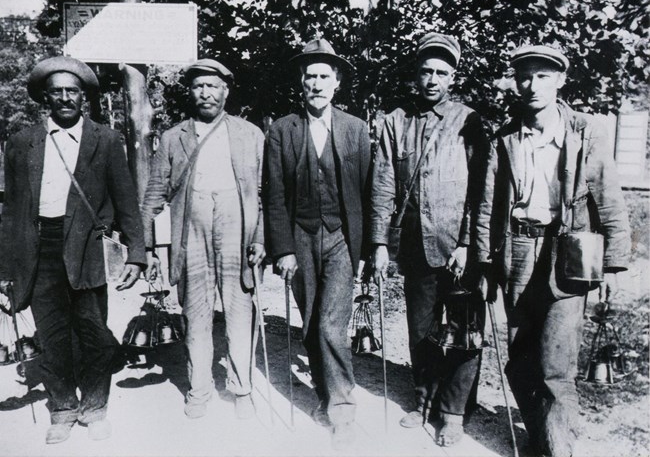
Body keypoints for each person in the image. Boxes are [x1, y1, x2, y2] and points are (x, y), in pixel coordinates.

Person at [475, 45, 631, 456]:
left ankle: (558, 449)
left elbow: (608, 198)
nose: (532, 85)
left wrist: (613, 266)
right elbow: (488, 205)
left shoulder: (586, 130)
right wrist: (485, 262)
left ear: (560, 80)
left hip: (570, 251)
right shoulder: (504, 137)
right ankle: (541, 436)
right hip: (517, 249)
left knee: (556, 364)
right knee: (521, 356)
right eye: (524, 76)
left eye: (543, 76)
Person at [0, 56, 145, 444]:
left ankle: (95, 407)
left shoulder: (106, 140)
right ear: (44, 97)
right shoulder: (20, 143)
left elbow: (126, 199)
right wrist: (5, 269)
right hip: (38, 248)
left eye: (73, 91)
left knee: (93, 330)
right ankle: (62, 407)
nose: (65, 98)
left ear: (84, 97)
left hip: (87, 246)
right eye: (57, 92)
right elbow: (11, 210)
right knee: (52, 333)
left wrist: (136, 253)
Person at [370, 32, 489, 446]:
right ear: (415, 75)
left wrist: (467, 244)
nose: (433, 79)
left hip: (458, 247)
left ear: (453, 76)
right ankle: (422, 399)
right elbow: (383, 184)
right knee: (420, 329)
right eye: (426, 71)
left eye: (442, 72)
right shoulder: (394, 122)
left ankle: (453, 411)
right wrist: (381, 243)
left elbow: (481, 190)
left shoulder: (469, 121)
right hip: (414, 245)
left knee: (463, 329)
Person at [140, 59, 265, 421]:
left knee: (240, 314)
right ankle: (199, 389)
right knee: (195, 315)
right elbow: (153, 194)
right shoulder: (172, 137)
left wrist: (260, 238)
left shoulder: (249, 134)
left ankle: (242, 388)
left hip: (237, 232)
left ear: (226, 91)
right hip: (189, 233)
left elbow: (265, 193)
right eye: (198, 87)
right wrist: (147, 249)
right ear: (190, 92)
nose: (206, 93)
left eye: (213, 86)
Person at [264, 38, 371, 450]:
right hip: (301, 238)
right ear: (301, 82)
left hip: (343, 238)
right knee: (311, 323)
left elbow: (365, 192)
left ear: (337, 82)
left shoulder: (356, 129)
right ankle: (326, 397)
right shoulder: (282, 130)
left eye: (325, 76)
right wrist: (284, 249)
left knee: (331, 323)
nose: (317, 83)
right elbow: (274, 195)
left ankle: (342, 408)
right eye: (310, 76)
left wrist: (369, 248)